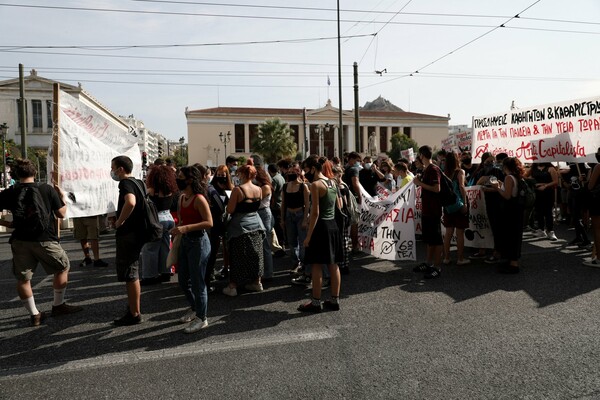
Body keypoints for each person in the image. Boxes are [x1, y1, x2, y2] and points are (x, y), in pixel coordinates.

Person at [0, 158, 83, 326]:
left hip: (20, 240)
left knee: (23, 279)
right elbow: (61, 214)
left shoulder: (10, 192)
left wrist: (8, 224)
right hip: (45, 238)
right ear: (35, 173)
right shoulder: (46, 189)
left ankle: (34, 314)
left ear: (16, 174)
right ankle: (58, 305)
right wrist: (62, 199)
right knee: (62, 267)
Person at [171, 165, 214, 333]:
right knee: (183, 280)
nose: (177, 179)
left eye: (180, 176)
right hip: (186, 241)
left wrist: (185, 228)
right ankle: (195, 307)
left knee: (198, 283)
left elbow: (209, 223)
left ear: (189, 180)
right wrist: (178, 231)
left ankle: (202, 318)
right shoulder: (182, 198)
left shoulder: (199, 198)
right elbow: (181, 220)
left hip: (199, 242)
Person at [298, 156, 343, 312]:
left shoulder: (316, 185)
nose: (304, 173)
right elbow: (339, 205)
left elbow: (315, 212)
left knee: (316, 264)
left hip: (320, 227)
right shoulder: (333, 182)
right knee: (333, 264)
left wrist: (308, 236)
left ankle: (316, 302)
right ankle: (334, 300)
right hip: (333, 226)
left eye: (305, 170)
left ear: (312, 168)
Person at [110, 155, 146, 326]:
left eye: (113, 168)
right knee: (133, 271)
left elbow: (130, 202)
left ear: (121, 169)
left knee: (131, 273)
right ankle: (133, 308)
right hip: (138, 232)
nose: (112, 172)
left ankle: (134, 313)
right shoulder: (139, 182)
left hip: (128, 233)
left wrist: (119, 221)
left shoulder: (125, 183)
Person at [222, 160, 266, 296]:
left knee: (237, 256)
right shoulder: (259, 189)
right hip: (256, 224)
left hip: (240, 226)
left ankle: (233, 286)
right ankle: (256, 282)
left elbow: (230, 209)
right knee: (256, 254)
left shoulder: (238, 190)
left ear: (242, 174)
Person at [139, 165, 178, 285]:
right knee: (165, 247)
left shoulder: (151, 191)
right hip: (169, 219)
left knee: (150, 249)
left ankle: (149, 276)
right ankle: (165, 272)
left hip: (156, 220)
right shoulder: (170, 190)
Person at [412, 146, 443, 279]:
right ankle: (429, 263)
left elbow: (437, 189)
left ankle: (437, 267)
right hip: (427, 209)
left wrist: (419, 183)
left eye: (419, 155)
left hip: (433, 210)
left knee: (436, 239)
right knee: (430, 239)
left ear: (422, 155)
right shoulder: (426, 169)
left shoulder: (433, 169)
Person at [491, 157, 526, 273]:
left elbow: (507, 196)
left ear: (506, 167)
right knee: (515, 236)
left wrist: (497, 188)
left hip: (511, 212)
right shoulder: (517, 177)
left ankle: (513, 264)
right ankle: (512, 261)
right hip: (518, 211)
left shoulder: (509, 177)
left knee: (511, 236)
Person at [441, 152, 470, 265]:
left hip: (448, 205)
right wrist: (465, 203)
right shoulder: (460, 171)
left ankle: (446, 258)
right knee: (459, 233)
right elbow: (462, 187)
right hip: (458, 204)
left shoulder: (444, 173)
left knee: (448, 233)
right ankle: (460, 259)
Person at [205, 165, 230, 289]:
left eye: (223, 175)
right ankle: (208, 275)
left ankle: (225, 268)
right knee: (212, 250)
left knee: (223, 248)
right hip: (213, 222)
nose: (221, 177)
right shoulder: (211, 188)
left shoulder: (229, 187)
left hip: (223, 221)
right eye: (219, 175)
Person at [281, 165, 309, 275]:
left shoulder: (303, 187)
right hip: (289, 214)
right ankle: (295, 262)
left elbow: (307, 205)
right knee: (292, 242)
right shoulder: (285, 186)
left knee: (302, 241)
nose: (290, 174)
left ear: (298, 173)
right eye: (289, 172)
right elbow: (283, 204)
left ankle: (303, 263)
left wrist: (305, 220)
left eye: (293, 172)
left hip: (300, 214)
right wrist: (282, 219)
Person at [527, 162, 559, 241]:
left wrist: (545, 185)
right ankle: (541, 229)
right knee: (539, 212)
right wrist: (533, 182)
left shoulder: (550, 168)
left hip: (548, 193)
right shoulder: (533, 168)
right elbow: (524, 176)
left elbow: (555, 181)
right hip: (537, 193)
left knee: (548, 212)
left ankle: (550, 231)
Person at [256, 166, 275, 281]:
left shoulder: (265, 187)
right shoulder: (261, 186)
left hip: (264, 213)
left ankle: (268, 273)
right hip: (261, 213)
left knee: (265, 244)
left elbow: (257, 199)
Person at [343, 152, 362, 253]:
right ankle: (355, 246)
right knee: (354, 222)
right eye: (357, 160)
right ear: (352, 159)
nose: (358, 163)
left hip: (344, 196)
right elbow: (355, 184)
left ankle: (347, 245)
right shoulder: (354, 170)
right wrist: (359, 196)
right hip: (352, 197)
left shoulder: (344, 169)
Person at [584, 149, 600, 267]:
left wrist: (585, 180)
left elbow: (590, 186)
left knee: (598, 230)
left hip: (598, 201)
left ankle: (599, 258)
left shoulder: (598, 167)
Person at [268, 163, 287, 257]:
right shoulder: (281, 177)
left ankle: (280, 247)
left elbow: (272, 192)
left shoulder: (274, 179)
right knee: (280, 226)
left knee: (277, 227)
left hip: (276, 206)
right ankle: (282, 245)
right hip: (281, 204)